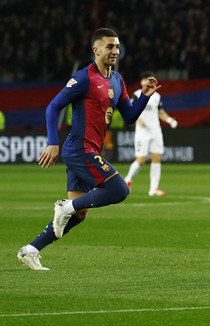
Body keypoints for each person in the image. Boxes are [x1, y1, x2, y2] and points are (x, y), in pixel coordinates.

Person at [17, 28, 160, 270]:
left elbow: (129, 116)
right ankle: (65, 206)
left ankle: (30, 250)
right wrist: (53, 142)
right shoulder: (84, 78)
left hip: (89, 149)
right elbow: (53, 107)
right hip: (79, 149)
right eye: (109, 47)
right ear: (96, 50)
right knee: (119, 189)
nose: (114, 51)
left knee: (80, 213)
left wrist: (144, 96)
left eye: (116, 47)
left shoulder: (117, 79)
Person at [123, 71, 178, 196]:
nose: (147, 82)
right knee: (141, 160)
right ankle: (128, 179)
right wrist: (138, 119)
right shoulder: (137, 95)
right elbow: (128, 109)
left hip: (155, 131)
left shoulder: (157, 96)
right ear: (142, 82)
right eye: (145, 80)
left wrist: (170, 120)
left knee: (157, 159)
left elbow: (159, 111)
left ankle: (154, 188)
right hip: (142, 132)